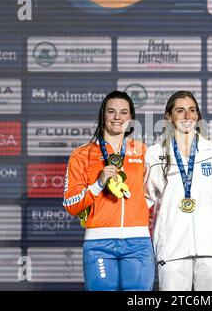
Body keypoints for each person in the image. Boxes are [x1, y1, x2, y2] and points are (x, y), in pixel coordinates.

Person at [62, 91, 154, 291]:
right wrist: (98, 184)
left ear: (131, 118)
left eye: (123, 112)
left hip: (138, 241)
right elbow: (71, 204)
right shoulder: (82, 155)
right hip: (98, 243)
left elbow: (153, 190)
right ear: (103, 115)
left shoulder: (144, 151)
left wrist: (137, 206)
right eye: (111, 112)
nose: (117, 117)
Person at [144, 90, 212, 291]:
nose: (187, 116)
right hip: (172, 249)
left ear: (198, 115)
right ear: (168, 117)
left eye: (192, 110)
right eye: (180, 111)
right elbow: (143, 200)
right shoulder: (155, 154)